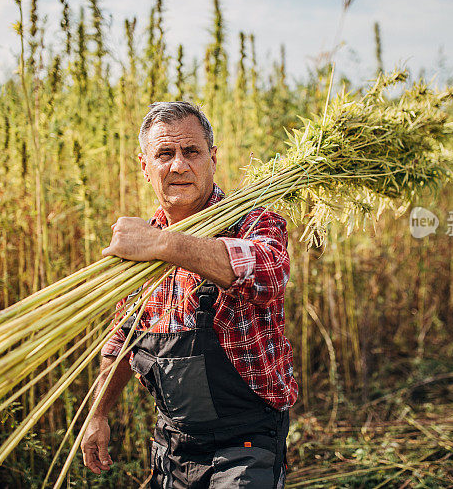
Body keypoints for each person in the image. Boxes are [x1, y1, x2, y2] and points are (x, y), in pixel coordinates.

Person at [80, 101, 298, 488]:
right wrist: (97, 413)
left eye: (192, 152)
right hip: (174, 447)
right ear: (145, 167)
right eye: (165, 154)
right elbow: (121, 341)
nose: (179, 165)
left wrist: (164, 244)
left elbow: (269, 272)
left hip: (247, 444)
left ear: (212, 159)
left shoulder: (251, 222)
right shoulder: (138, 251)